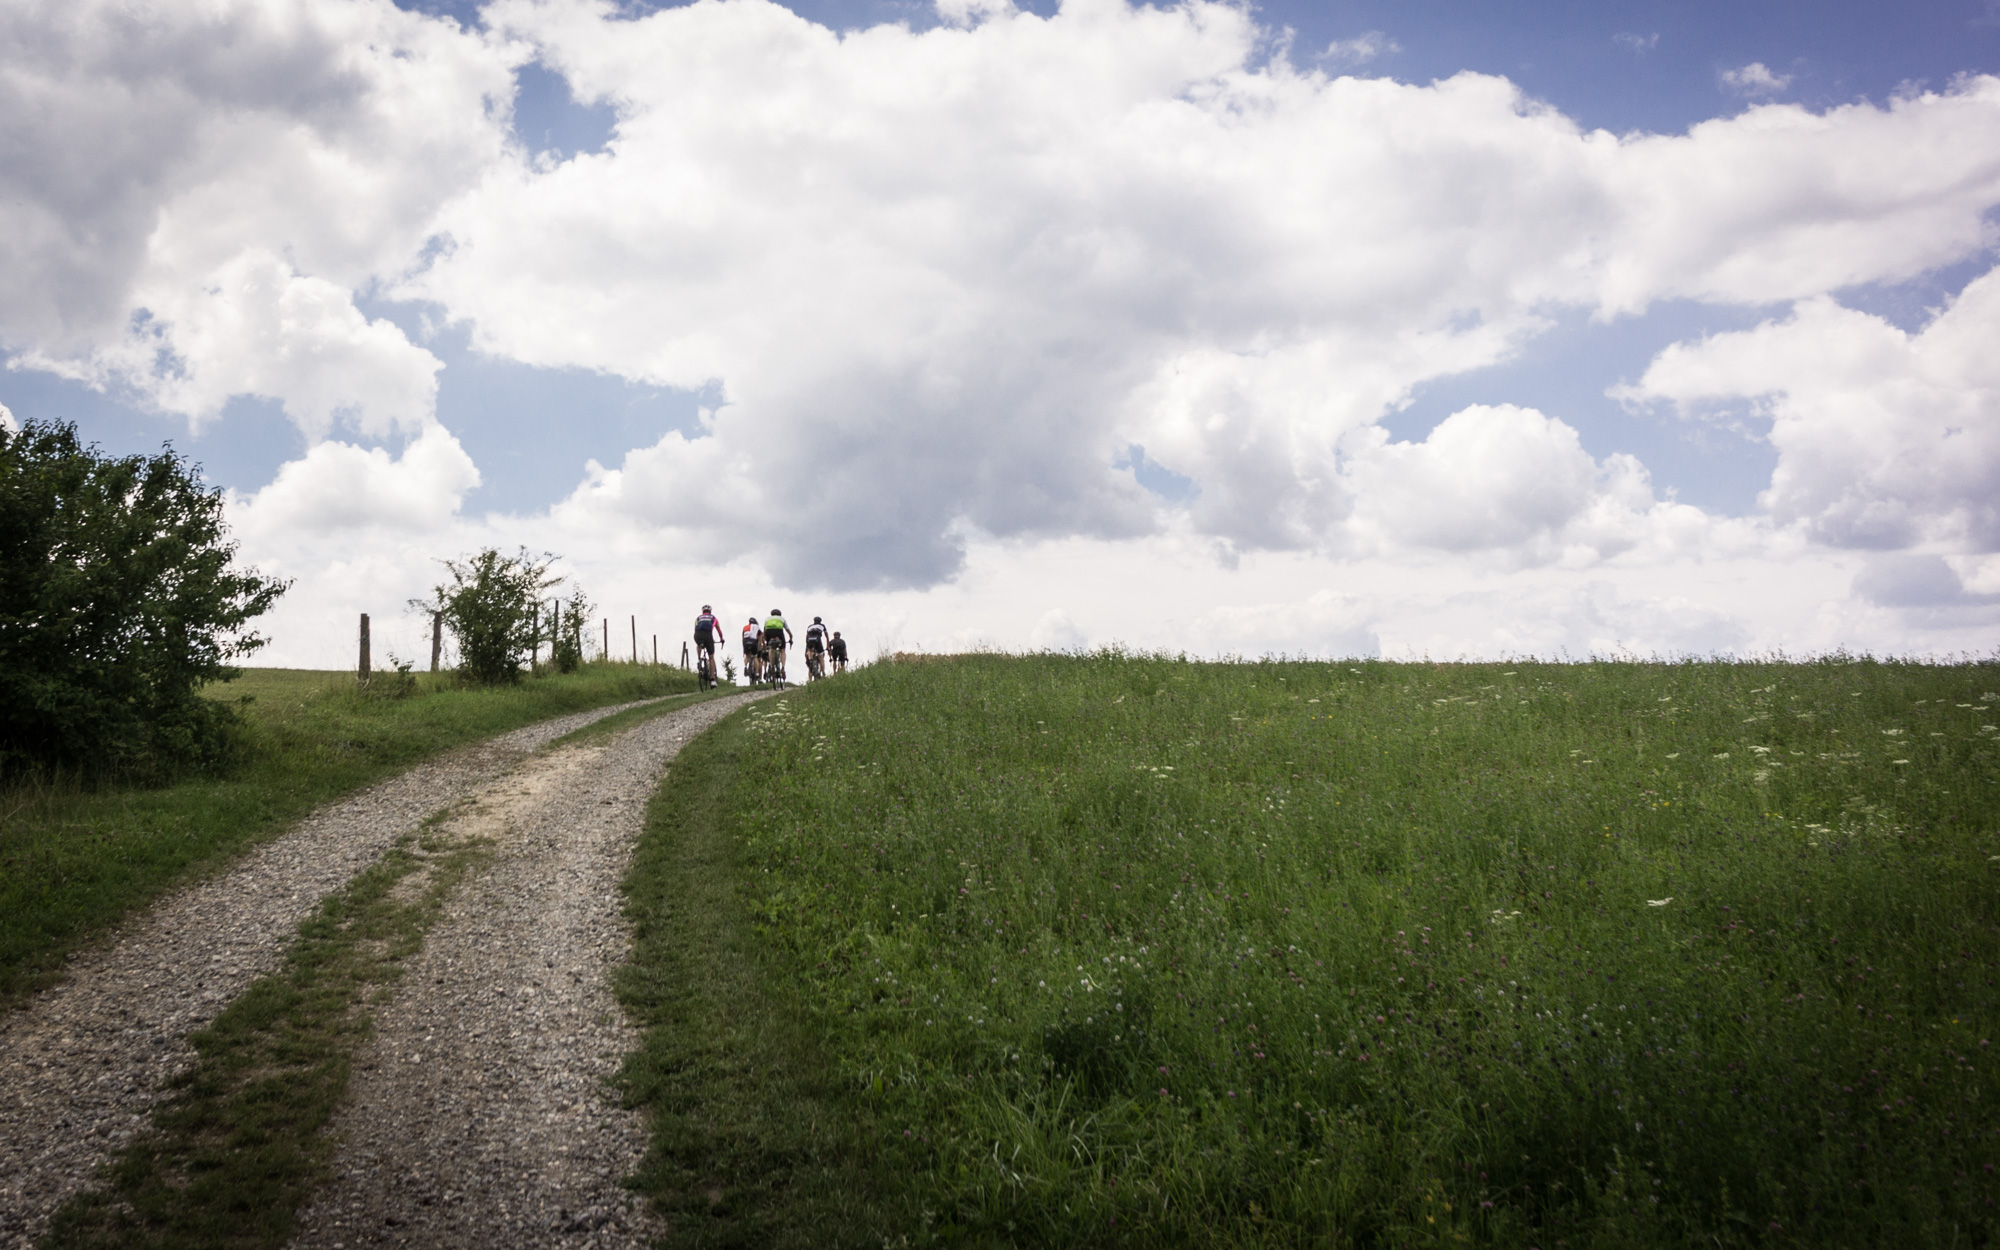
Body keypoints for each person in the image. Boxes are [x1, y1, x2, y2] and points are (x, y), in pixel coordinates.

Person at [693, 604, 721, 686]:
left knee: (698, 644)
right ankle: (712, 680)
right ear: (710, 611)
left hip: (697, 635)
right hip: (708, 635)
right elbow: (719, 630)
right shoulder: (713, 618)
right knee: (711, 657)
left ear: (702, 611)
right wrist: (722, 639)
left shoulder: (698, 618)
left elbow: (695, 629)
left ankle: (699, 659)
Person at [763, 608, 793, 681]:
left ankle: (771, 664)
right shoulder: (782, 619)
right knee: (782, 650)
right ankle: (783, 668)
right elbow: (787, 630)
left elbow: (764, 630)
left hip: (769, 633)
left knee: (771, 648)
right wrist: (791, 638)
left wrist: (765, 639)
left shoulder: (767, 619)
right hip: (778, 632)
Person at [741, 615, 763, 684]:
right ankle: (756, 673)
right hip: (753, 641)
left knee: (747, 656)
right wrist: (759, 648)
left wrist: (743, 648)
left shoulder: (744, 627)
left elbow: (742, 638)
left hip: (745, 641)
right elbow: (760, 638)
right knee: (755, 657)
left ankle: (745, 667)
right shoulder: (757, 627)